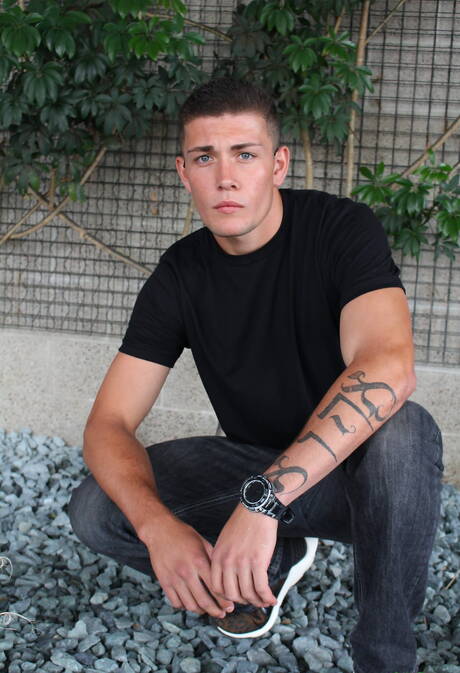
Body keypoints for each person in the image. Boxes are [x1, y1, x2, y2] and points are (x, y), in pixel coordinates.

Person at [68, 76, 444, 673]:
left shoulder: (340, 230)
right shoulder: (180, 275)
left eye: (244, 154)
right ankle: (261, 568)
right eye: (204, 157)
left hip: (357, 482)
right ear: (183, 172)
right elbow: (107, 424)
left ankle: (384, 656)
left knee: (404, 431)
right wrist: (159, 528)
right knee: (97, 509)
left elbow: (389, 368)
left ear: (278, 164)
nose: (225, 177)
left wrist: (264, 501)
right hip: (252, 466)